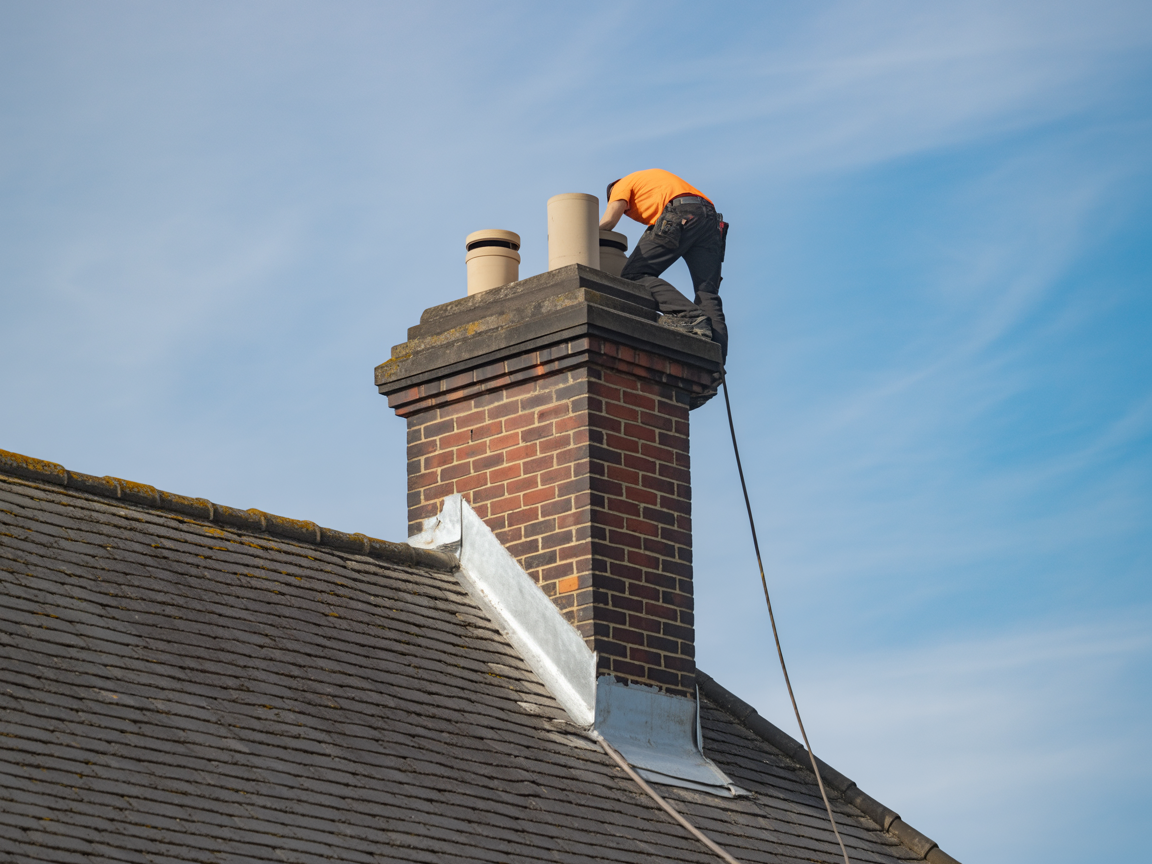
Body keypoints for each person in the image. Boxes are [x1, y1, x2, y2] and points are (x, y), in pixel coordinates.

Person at [600, 170, 729, 393]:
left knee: (634, 274)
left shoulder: (622, 185)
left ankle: (690, 317)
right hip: (710, 220)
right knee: (708, 294)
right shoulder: (652, 182)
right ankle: (715, 369)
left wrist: (582, 237)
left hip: (680, 211)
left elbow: (610, 219)